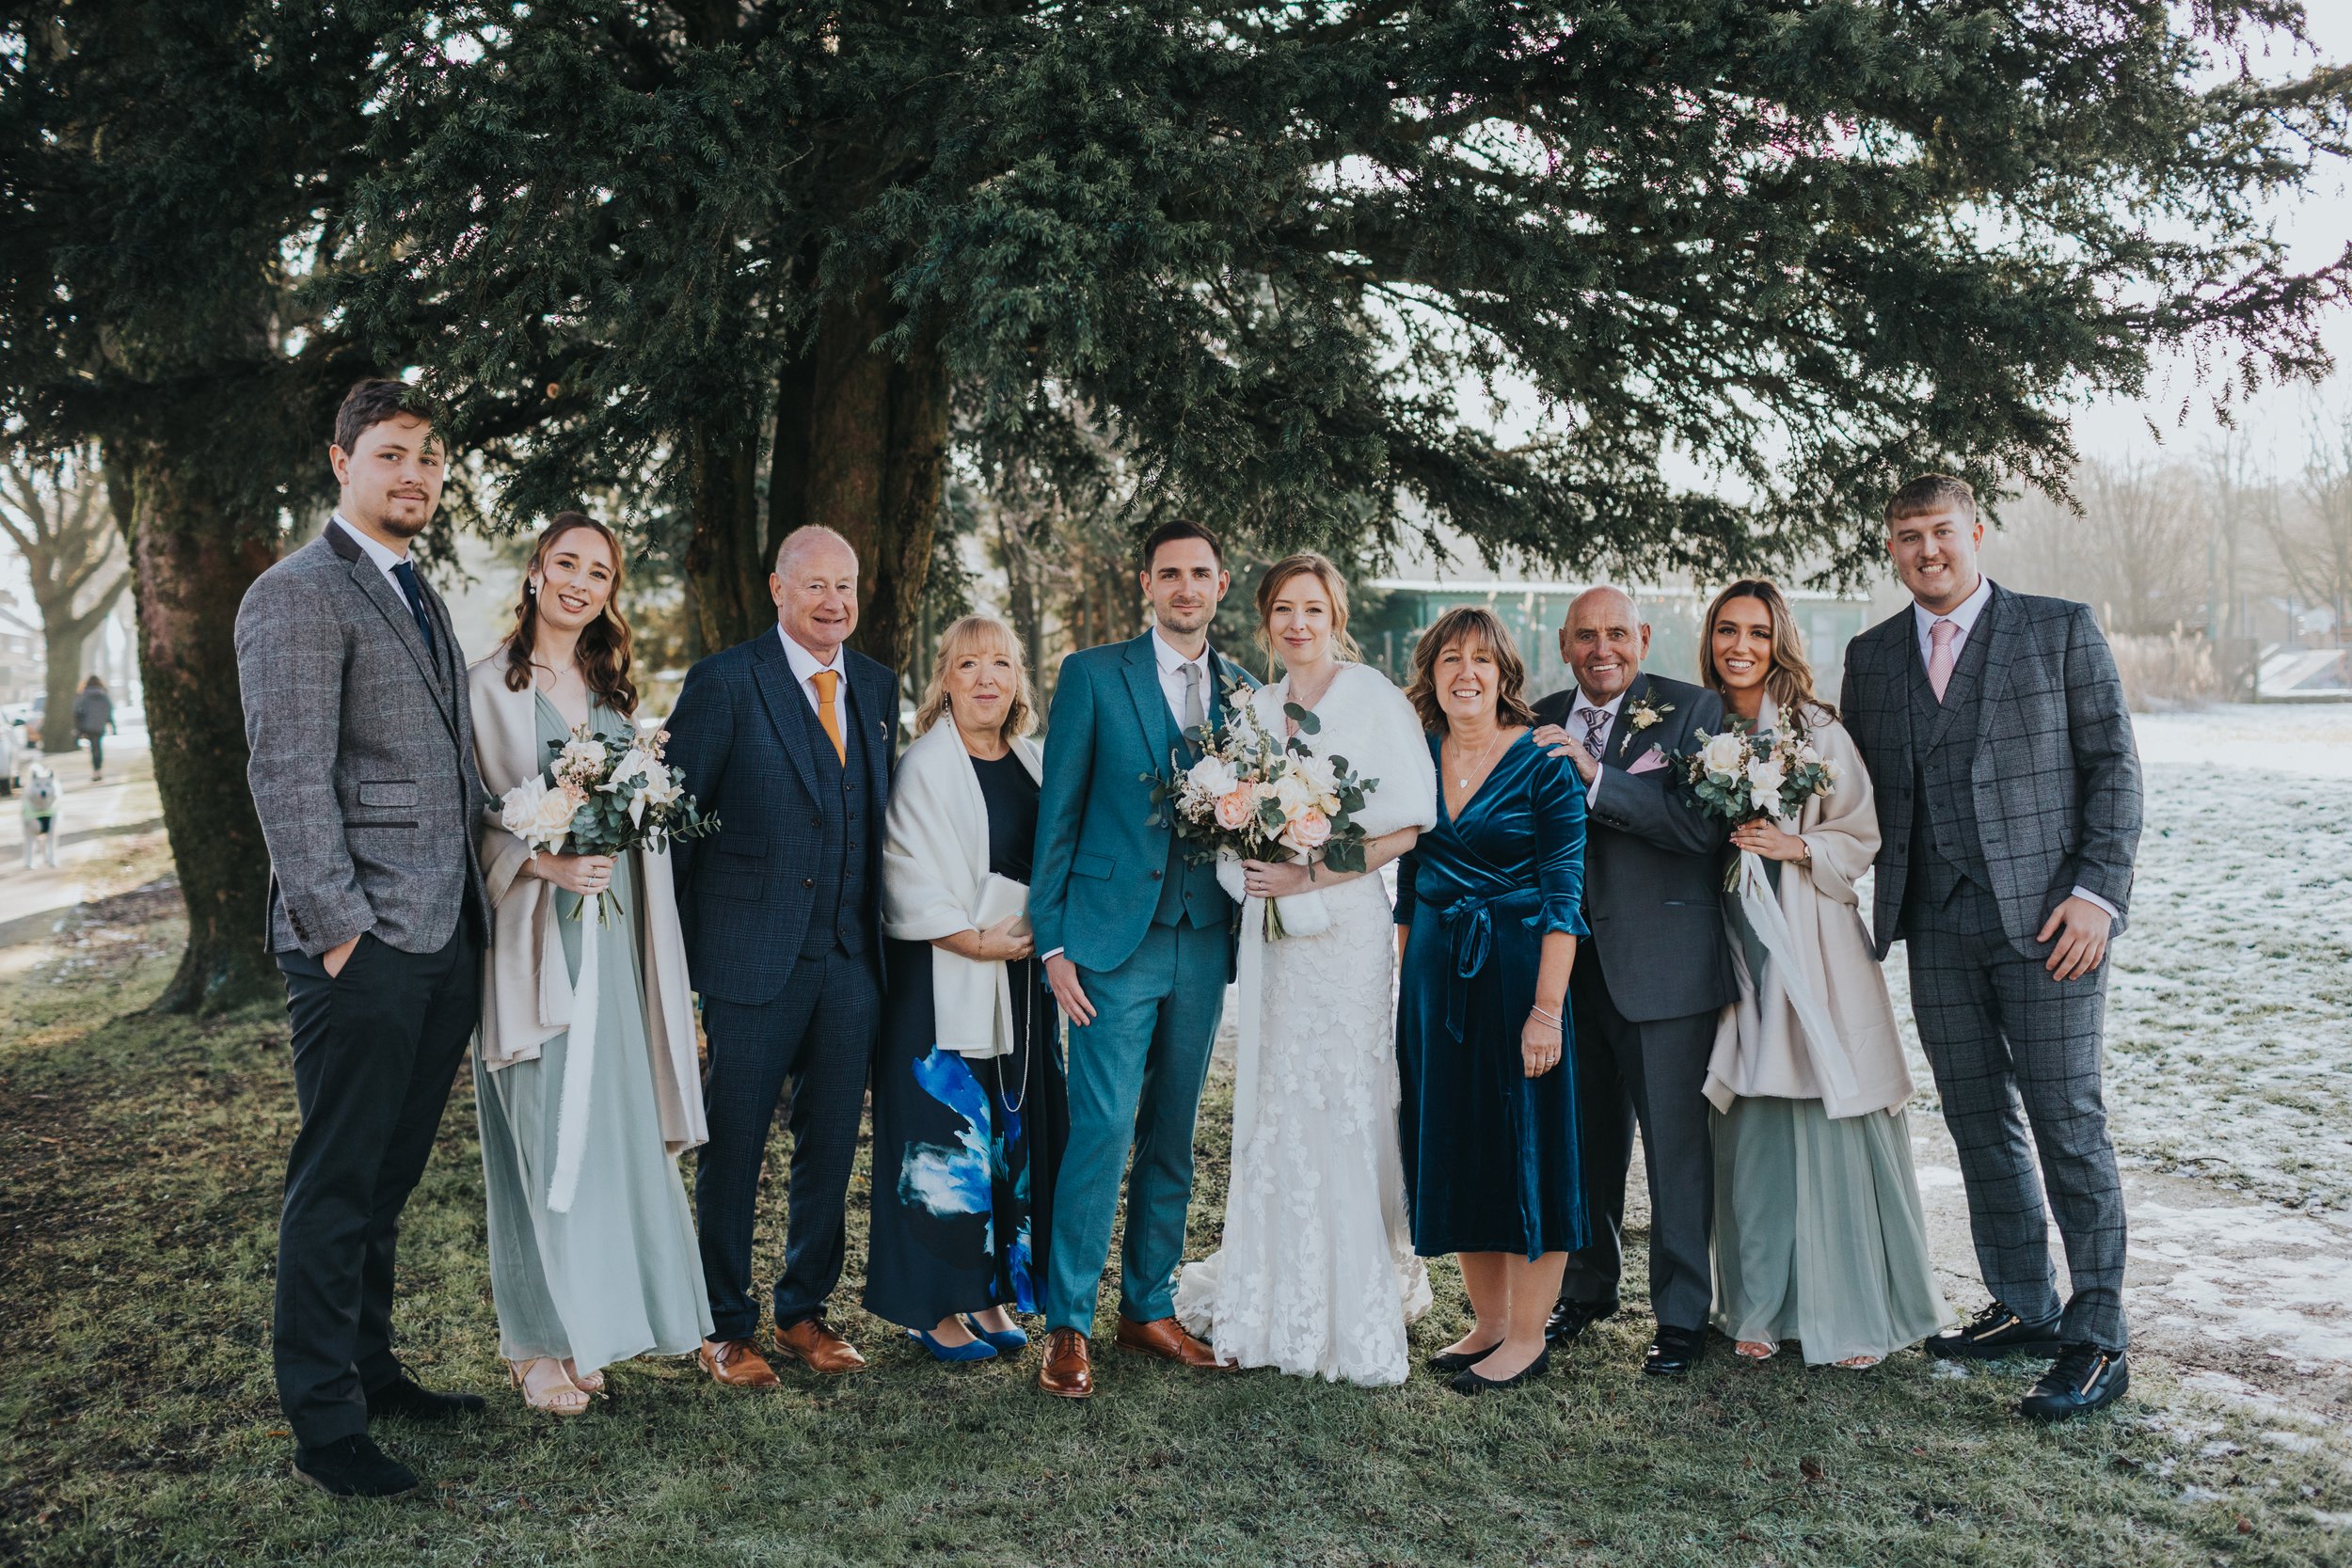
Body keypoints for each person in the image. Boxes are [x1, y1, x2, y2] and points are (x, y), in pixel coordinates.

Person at [234, 378, 492, 1497]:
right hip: (364, 944)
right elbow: (287, 777)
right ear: (340, 461)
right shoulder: (296, 593)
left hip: (443, 935)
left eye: (429, 457)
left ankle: (374, 1368)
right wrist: (344, 936)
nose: (415, 475)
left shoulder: (414, 584)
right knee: (336, 1183)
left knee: (386, 1179)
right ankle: (326, 1422)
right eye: (392, 454)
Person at [1840, 474, 2142, 1421]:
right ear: (1889, 549)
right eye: (1905, 536)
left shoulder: (2058, 628)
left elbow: (2113, 770)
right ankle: (2024, 1300)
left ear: (1976, 531)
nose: (1926, 550)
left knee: (2067, 1123)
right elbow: (1852, 787)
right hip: (1933, 922)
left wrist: (2096, 895)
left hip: (2051, 926)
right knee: (1976, 1120)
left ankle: (2097, 1337)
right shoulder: (1873, 655)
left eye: (1940, 531)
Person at [467, 514, 712, 1416]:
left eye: (598, 571)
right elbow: (475, 819)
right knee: (536, 1136)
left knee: (602, 1134)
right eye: (565, 563)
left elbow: (633, 807)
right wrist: (546, 861)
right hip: (536, 938)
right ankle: (533, 1343)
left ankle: (585, 1326)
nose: (579, 582)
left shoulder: (613, 691)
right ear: (534, 572)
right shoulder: (488, 686)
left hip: (613, 937)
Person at [1173, 554, 1436, 1386]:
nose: (1297, 624)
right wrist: (1249, 864)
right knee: (1278, 1096)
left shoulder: (1374, 698)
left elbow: (1408, 826)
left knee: (1344, 1096)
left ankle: (1350, 1296)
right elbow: (1228, 820)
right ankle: (1271, 1292)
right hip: (1275, 942)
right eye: (1283, 609)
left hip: (1346, 934)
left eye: (1312, 609)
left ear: (1336, 615)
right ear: (1266, 617)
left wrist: (1308, 875)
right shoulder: (1251, 710)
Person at [1695, 579, 1955, 1369]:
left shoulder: (1816, 728)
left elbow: (1861, 832)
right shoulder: (1697, 725)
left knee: (1828, 1106)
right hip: (1732, 932)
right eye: (1728, 631)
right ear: (1710, 639)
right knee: (1754, 1112)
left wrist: (1797, 847)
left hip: (1809, 931)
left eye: (1758, 632)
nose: (1741, 646)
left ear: (1781, 641)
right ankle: (1759, 1302)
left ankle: (1855, 1306)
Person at [665, 525, 899, 1387]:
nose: (834, 602)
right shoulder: (724, 682)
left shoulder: (876, 685)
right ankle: (723, 1323)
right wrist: (684, 963)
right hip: (748, 958)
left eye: (846, 585)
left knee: (832, 1139)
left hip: (849, 958)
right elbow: (679, 833)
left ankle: (803, 1307)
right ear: (777, 588)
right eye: (815, 587)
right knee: (733, 1145)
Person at [1028, 519, 1256, 1400]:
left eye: (1201, 573)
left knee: (1175, 1129)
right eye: (1171, 575)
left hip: (1202, 940)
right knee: (1101, 1130)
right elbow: (1061, 814)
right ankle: (1069, 1326)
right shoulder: (1093, 675)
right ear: (1146, 585)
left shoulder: (1241, 692)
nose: (1186, 588)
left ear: (1222, 584)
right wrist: (1052, 941)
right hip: (1109, 945)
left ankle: (1148, 1304)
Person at [1529, 588, 1734, 1377]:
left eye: (1616, 632)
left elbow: (1697, 827)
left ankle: (1682, 1315)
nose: (1601, 647)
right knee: (1584, 1142)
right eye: (1586, 635)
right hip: (1565, 973)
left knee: (1675, 1151)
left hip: (1664, 968)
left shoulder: (1691, 710)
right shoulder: (1538, 714)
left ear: (1643, 638)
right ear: (1564, 642)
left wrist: (1594, 775)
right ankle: (1586, 1286)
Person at [1393, 607, 1590, 1394]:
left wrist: (1547, 1011)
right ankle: (1489, 1320)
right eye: (1449, 659)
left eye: (1481, 659)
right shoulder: (1416, 757)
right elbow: (1408, 891)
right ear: (1431, 673)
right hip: (1438, 986)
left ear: (1505, 673)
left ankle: (1530, 1335)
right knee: (1463, 1143)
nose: (1465, 672)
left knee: (1530, 1145)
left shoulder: (1544, 763)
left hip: (1518, 980)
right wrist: (1408, 992)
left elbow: (1564, 898)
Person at [867, 615, 1068, 1362]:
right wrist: (974, 940)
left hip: (1017, 977)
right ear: (944, 677)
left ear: (1019, 677)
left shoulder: (1034, 760)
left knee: (1006, 1137)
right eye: (969, 663)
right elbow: (904, 871)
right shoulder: (923, 764)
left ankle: (986, 1292)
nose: (987, 677)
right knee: (945, 1138)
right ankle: (932, 1305)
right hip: (941, 980)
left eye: (1002, 663)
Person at [73, 675, 113, 782]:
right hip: (99, 725)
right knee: (97, 747)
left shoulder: (83, 695)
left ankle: (96, 770)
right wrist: (110, 723)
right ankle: (98, 770)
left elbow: (76, 709)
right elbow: (109, 709)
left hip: (88, 725)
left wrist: (79, 724)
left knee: (94, 748)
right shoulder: (104, 695)